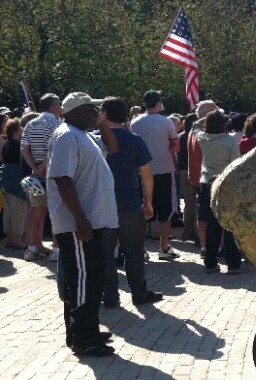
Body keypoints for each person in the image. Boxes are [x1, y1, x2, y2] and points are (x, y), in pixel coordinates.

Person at [48, 92, 118, 357]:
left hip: (93, 221)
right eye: (91, 110)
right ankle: (82, 338)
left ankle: (86, 328)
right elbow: (63, 180)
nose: (95, 114)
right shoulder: (66, 136)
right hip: (79, 225)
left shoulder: (83, 134)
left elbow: (112, 148)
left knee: (91, 279)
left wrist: (101, 123)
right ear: (75, 112)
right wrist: (80, 219)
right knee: (83, 281)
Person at [100, 97, 163, 308]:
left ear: (104, 114)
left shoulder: (95, 139)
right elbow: (146, 175)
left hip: (101, 206)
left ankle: (110, 296)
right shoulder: (134, 140)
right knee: (134, 252)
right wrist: (148, 201)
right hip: (129, 202)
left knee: (105, 254)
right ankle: (139, 293)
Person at [130, 90, 180, 260]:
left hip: (142, 171)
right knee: (165, 210)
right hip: (163, 170)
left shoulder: (135, 122)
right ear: (158, 102)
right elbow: (176, 145)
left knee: (143, 209)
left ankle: (141, 249)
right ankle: (164, 247)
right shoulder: (166, 122)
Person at [195, 109, 244, 273]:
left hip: (207, 184)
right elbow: (236, 164)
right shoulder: (229, 142)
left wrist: (206, 117)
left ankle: (210, 262)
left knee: (212, 225)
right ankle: (233, 263)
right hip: (226, 184)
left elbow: (194, 125)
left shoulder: (203, 138)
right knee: (228, 225)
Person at [20, 94, 63, 262]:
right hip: (53, 173)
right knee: (56, 212)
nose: (61, 107)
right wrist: (43, 167)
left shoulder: (30, 123)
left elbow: (24, 149)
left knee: (35, 212)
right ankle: (56, 250)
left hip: (35, 175)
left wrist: (35, 168)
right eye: (59, 104)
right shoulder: (57, 124)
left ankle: (32, 248)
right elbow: (53, 149)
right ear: (53, 106)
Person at [188, 99, 218, 255]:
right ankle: (210, 247)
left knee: (202, 214)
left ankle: (204, 246)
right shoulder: (205, 134)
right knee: (210, 216)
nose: (218, 114)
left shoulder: (194, 130)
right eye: (215, 112)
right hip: (208, 180)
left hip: (199, 179)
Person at [1, 118, 28, 249]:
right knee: (19, 211)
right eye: (21, 128)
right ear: (16, 131)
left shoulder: (6, 143)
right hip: (15, 182)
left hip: (5, 181)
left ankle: (9, 239)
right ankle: (17, 240)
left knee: (9, 211)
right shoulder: (18, 146)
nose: (23, 130)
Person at [178, 113, 198, 242]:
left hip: (183, 170)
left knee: (188, 203)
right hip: (196, 169)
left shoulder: (180, 137)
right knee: (197, 203)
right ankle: (196, 231)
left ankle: (187, 230)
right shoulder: (197, 137)